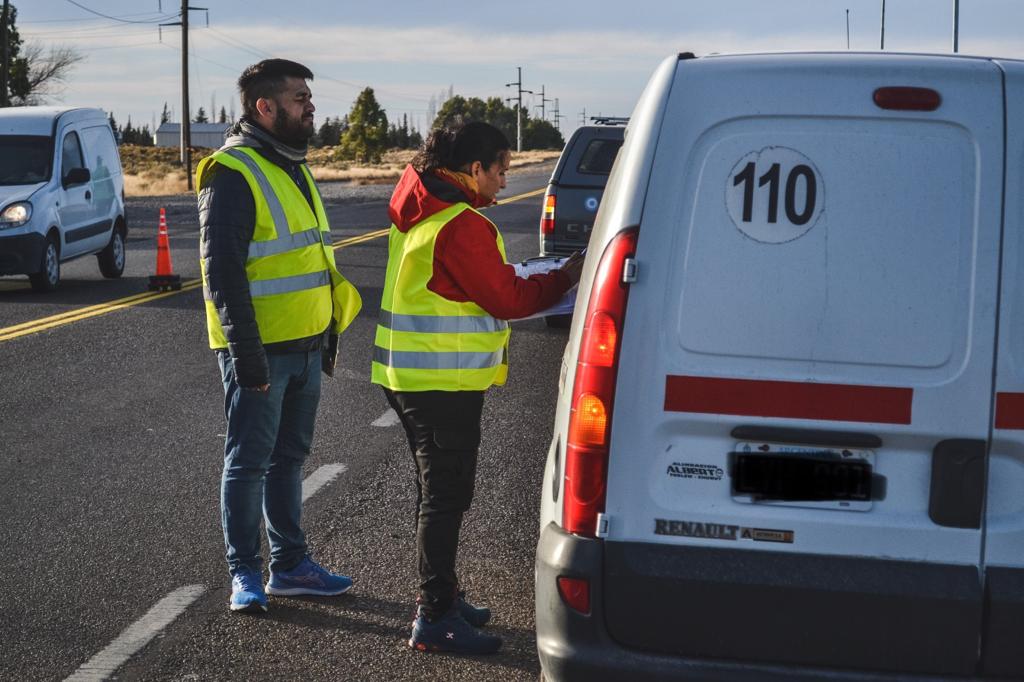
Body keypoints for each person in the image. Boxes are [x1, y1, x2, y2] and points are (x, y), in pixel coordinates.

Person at [371, 121, 584, 653]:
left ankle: (444, 597)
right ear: (474, 169)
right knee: (445, 498)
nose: (506, 181)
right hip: (440, 384)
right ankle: (436, 616)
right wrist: (566, 276)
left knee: (438, 494)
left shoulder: (421, 205)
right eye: (502, 170)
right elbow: (508, 299)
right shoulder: (461, 224)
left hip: (410, 377)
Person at [198, 58, 362, 613]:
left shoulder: (292, 165)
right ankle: (244, 574)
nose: (310, 105)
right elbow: (223, 272)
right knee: (247, 462)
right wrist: (247, 357)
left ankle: (289, 565)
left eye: (308, 96)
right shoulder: (234, 172)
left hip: (306, 344)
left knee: (289, 460)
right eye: (298, 97)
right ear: (263, 107)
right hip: (259, 351)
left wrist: (326, 335)